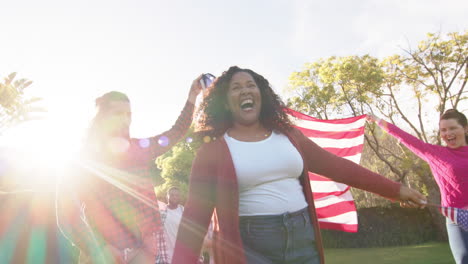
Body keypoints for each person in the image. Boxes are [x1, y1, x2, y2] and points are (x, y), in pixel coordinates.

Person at [171, 66, 427, 264]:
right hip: (250, 247)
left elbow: (338, 167)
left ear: (262, 94)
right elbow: (194, 217)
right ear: (225, 102)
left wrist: (395, 190)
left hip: (303, 240)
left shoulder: (289, 136)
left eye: (251, 85)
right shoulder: (212, 151)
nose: (245, 90)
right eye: (236, 88)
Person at [57, 77, 202, 263]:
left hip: (142, 252)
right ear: (102, 118)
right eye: (118, 114)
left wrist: (192, 98)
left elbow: (174, 134)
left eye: (129, 114)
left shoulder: (140, 149)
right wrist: (98, 248)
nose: (126, 120)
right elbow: (65, 213)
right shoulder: (84, 160)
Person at [367, 109, 468, 264]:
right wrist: (378, 121)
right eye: (443, 130)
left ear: (465, 128)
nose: (448, 133)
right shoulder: (435, 153)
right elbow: (406, 138)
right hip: (455, 219)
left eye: (453, 128)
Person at [156, 187, 185, 264]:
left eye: (177, 195)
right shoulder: (161, 213)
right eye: (172, 195)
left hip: (182, 254)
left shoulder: (184, 212)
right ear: (167, 196)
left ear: (180, 197)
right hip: (166, 255)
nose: (174, 197)